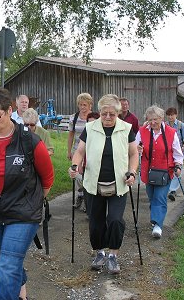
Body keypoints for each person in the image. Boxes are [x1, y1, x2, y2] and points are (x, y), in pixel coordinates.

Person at [0, 88, 54, 300]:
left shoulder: (30, 142)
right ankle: (21, 296)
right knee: (5, 261)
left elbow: (47, 178)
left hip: (22, 213)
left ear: (10, 111)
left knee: (8, 265)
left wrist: (33, 203)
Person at [68, 94, 138, 274]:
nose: (107, 117)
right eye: (104, 113)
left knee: (115, 220)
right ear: (99, 112)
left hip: (119, 184)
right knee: (96, 223)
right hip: (93, 184)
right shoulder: (90, 128)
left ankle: (113, 256)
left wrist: (132, 171)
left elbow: (133, 154)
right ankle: (99, 253)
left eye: (111, 114)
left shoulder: (126, 128)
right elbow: (80, 151)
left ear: (118, 113)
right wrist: (74, 166)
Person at [136, 105, 184, 239]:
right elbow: (134, 149)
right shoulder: (142, 132)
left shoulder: (171, 132)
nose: (152, 123)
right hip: (148, 171)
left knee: (160, 197)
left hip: (165, 171)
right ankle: (156, 219)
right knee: (152, 197)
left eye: (155, 119)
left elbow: (177, 153)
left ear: (161, 118)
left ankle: (158, 225)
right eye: (150, 120)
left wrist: (178, 166)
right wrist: (137, 149)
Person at [67, 93, 93, 211]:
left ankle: (88, 201)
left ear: (90, 105)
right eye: (80, 105)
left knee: (88, 174)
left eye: (85, 105)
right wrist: (69, 151)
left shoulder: (94, 117)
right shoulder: (74, 117)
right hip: (77, 149)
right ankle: (81, 194)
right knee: (77, 174)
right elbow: (71, 134)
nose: (82, 107)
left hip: (91, 150)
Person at [165, 107, 184, 201]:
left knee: (177, 170)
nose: (170, 117)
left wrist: (183, 147)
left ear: (176, 115)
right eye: (168, 115)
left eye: (172, 115)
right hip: (167, 152)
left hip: (178, 152)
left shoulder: (180, 125)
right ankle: (168, 188)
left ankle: (172, 190)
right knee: (168, 170)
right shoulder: (165, 125)